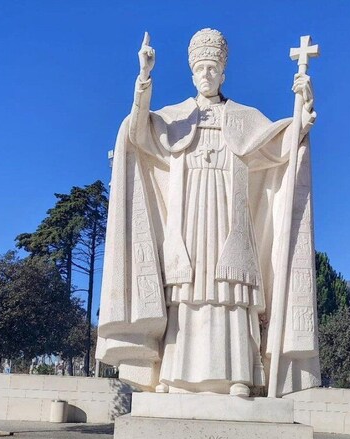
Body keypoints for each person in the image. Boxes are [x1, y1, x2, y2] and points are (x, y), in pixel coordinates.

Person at [96, 29, 320, 397]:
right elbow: (139, 132)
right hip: (188, 218)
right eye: (200, 68)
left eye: (212, 68)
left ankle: (238, 376)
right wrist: (145, 78)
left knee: (230, 291)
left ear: (223, 73)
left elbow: (279, 148)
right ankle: (175, 374)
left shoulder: (244, 118)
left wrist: (303, 113)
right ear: (191, 73)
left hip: (229, 218)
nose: (206, 75)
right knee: (187, 291)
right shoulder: (175, 118)